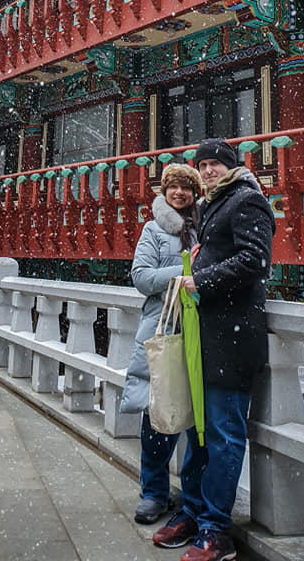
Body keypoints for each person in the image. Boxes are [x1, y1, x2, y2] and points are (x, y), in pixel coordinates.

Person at [152, 138, 275, 561]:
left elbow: (256, 261)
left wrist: (200, 280)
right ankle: (192, 509)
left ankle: (215, 528)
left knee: (222, 435)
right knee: (197, 432)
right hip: (204, 339)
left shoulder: (248, 201)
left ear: (230, 167)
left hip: (233, 339)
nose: (206, 171)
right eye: (201, 164)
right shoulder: (211, 206)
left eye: (214, 164)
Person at [121, 163, 203, 525]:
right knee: (157, 412)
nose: (179, 193)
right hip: (163, 327)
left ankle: (193, 495)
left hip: (201, 329)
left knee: (199, 416)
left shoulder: (207, 227)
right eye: (173, 187)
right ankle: (153, 491)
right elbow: (141, 277)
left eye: (187, 187)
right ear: (164, 191)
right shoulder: (153, 230)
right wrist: (186, 271)